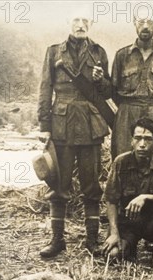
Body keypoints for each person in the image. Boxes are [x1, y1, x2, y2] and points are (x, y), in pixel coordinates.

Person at [37, 10, 111, 257]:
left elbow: (108, 92)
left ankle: (92, 240)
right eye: (76, 21)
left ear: (91, 24)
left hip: (91, 125)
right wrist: (44, 126)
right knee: (58, 183)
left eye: (85, 21)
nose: (81, 25)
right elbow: (45, 90)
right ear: (67, 23)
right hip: (62, 125)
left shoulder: (99, 52)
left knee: (92, 184)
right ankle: (57, 240)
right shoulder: (54, 51)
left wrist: (100, 81)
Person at [102, 118, 153, 261]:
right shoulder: (121, 162)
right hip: (127, 222)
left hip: (152, 222)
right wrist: (114, 233)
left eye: (148, 139)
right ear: (131, 141)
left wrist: (144, 197)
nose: (142, 144)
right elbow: (111, 200)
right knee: (113, 256)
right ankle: (129, 246)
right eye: (138, 138)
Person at [111, 11, 153, 158]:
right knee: (124, 156)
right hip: (127, 112)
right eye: (141, 22)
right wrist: (128, 106)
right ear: (134, 23)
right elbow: (113, 90)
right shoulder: (122, 55)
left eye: (150, 22)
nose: (145, 27)